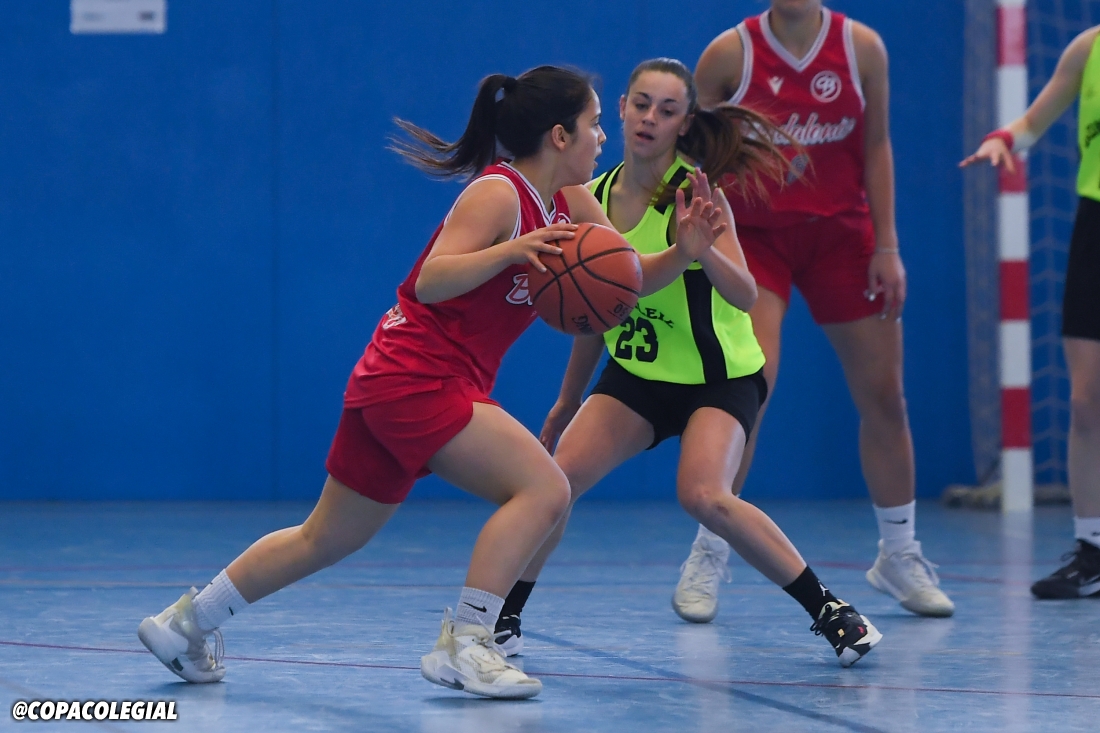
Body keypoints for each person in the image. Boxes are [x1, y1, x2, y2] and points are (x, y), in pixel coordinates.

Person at [135, 65, 723, 700]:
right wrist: (510, 250)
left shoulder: (575, 205)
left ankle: (185, 623)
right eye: (595, 124)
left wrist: (684, 251)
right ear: (559, 135)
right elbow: (431, 279)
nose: (603, 137)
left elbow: (624, 282)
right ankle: (468, 644)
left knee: (326, 537)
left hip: (403, 378)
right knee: (545, 489)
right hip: (418, 373)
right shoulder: (498, 194)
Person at [492, 58, 882, 668]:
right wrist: (568, 401)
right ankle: (504, 617)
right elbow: (594, 313)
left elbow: (747, 294)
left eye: (667, 110)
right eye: (641, 104)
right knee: (554, 484)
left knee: (703, 494)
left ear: (685, 122)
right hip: (639, 378)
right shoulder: (585, 197)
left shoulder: (694, 193)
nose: (650, 118)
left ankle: (830, 610)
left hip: (720, 375)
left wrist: (697, 250)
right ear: (619, 108)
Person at [668, 0, 955, 622]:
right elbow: (691, 152)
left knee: (884, 393)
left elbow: (876, 146)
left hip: (842, 237)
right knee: (752, 387)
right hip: (760, 239)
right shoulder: (729, 55)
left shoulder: (862, 49)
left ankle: (900, 552)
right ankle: (710, 548)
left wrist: (887, 244)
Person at [962, 24, 1100, 599]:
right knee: (1087, 399)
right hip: (1095, 227)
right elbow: (1032, 123)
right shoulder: (1088, 48)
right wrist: (1004, 140)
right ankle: (1092, 549)